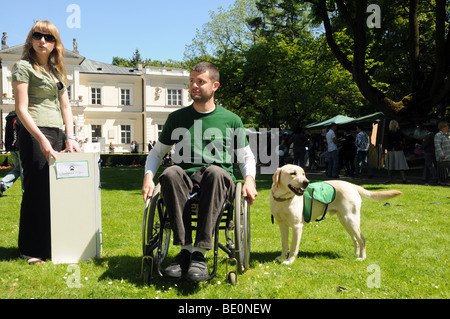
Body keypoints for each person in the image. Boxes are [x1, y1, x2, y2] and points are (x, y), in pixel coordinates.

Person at [141, 62, 257, 282]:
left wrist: (249, 180)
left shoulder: (231, 120)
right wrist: (148, 177)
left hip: (218, 181)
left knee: (215, 172)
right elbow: (156, 153)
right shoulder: (177, 118)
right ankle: (185, 250)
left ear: (215, 85)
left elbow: (246, 158)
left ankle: (201, 253)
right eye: (191, 81)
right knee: (171, 173)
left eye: (200, 81)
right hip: (185, 181)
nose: (194, 85)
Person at [13, 20, 80, 265]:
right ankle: (30, 250)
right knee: (36, 191)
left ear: (55, 44)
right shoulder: (22, 67)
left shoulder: (57, 71)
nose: (43, 41)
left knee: (56, 191)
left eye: (49, 37)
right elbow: (21, 109)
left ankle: (52, 245)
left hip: (58, 132)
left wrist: (70, 137)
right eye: (38, 35)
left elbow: (66, 106)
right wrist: (41, 139)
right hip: (34, 132)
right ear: (31, 39)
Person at [0, 111, 23, 197]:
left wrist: (8, 147)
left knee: (17, 169)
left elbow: (8, 134)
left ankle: (2, 184)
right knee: (23, 170)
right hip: (20, 147)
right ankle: (26, 192)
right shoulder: (19, 118)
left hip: (12, 148)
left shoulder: (9, 119)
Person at [434, 121, 450, 185]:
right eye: (446, 126)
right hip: (443, 156)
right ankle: (443, 181)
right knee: (443, 169)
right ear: (442, 127)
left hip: (449, 154)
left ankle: (448, 180)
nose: (448, 127)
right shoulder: (438, 135)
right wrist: (441, 154)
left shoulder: (448, 134)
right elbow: (437, 145)